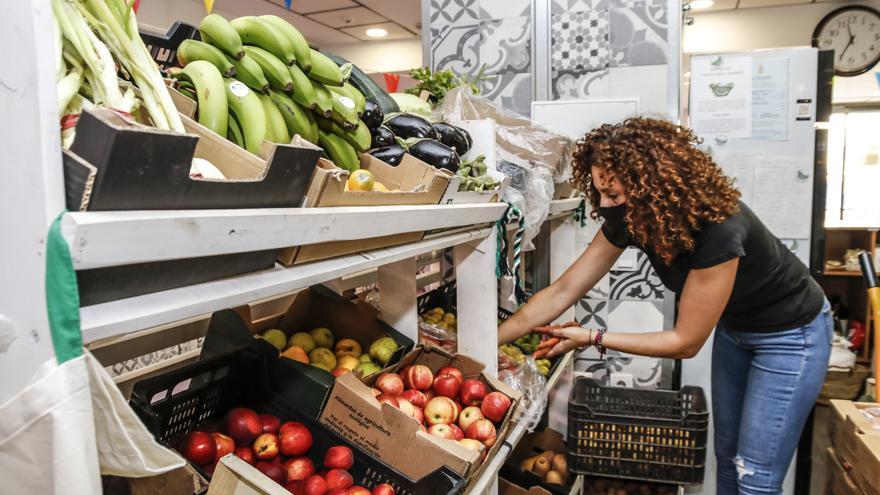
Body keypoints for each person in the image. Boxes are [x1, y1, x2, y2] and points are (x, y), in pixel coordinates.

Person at [498, 118, 832, 495]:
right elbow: (562, 291)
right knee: (727, 457)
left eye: (613, 195)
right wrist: (486, 341)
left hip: (792, 334)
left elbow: (685, 342)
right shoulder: (634, 218)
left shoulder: (718, 228)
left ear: (650, 188)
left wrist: (591, 336)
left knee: (755, 475)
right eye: (600, 193)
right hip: (737, 329)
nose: (604, 206)